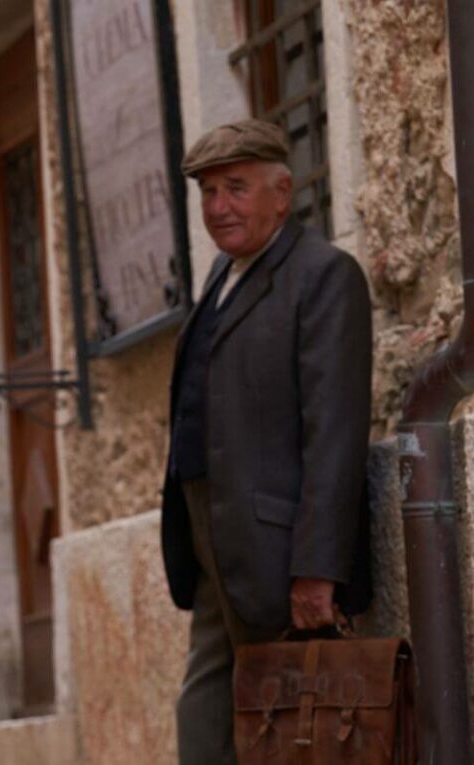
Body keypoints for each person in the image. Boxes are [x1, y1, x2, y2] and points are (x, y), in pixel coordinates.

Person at [160, 120, 372, 764]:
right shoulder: (224, 280)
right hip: (213, 544)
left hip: (281, 551)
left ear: (283, 193)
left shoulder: (323, 275)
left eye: (236, 188)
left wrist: (317, 569)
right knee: (207, 710)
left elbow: (334, 432)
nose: (219, 207)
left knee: (301, 724)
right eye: (207, 192)